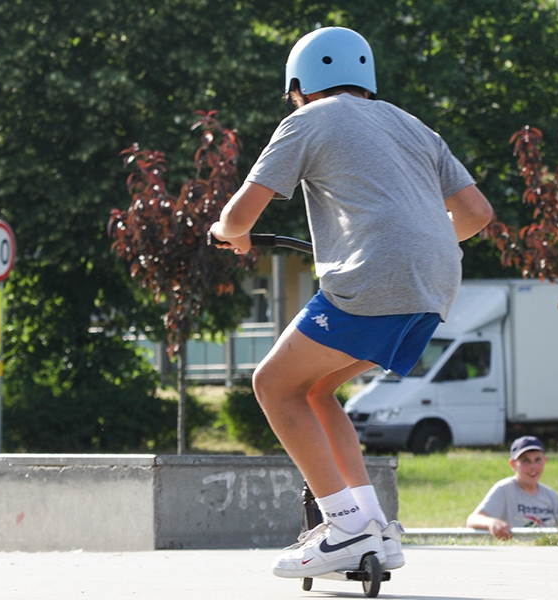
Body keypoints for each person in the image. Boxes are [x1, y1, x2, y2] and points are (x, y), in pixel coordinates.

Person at [209, 27, 493, 578]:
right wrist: (417, 239)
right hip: (435, 284)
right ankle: (372, 527)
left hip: (373, 281)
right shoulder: (412, 125)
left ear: (300, 85)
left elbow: (240, 218)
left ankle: (341, 526)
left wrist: (227, 232)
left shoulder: (307, 120)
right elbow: (477, 214)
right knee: (315, 389)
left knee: (271, 385)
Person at [466, 436, 558, 539]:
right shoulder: (505, 490)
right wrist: (492, 522)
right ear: (513, 464)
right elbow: (473, 519)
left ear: (545, 461)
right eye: (526, 461)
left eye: (538, 460)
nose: (533, 466)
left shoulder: (552, 497)